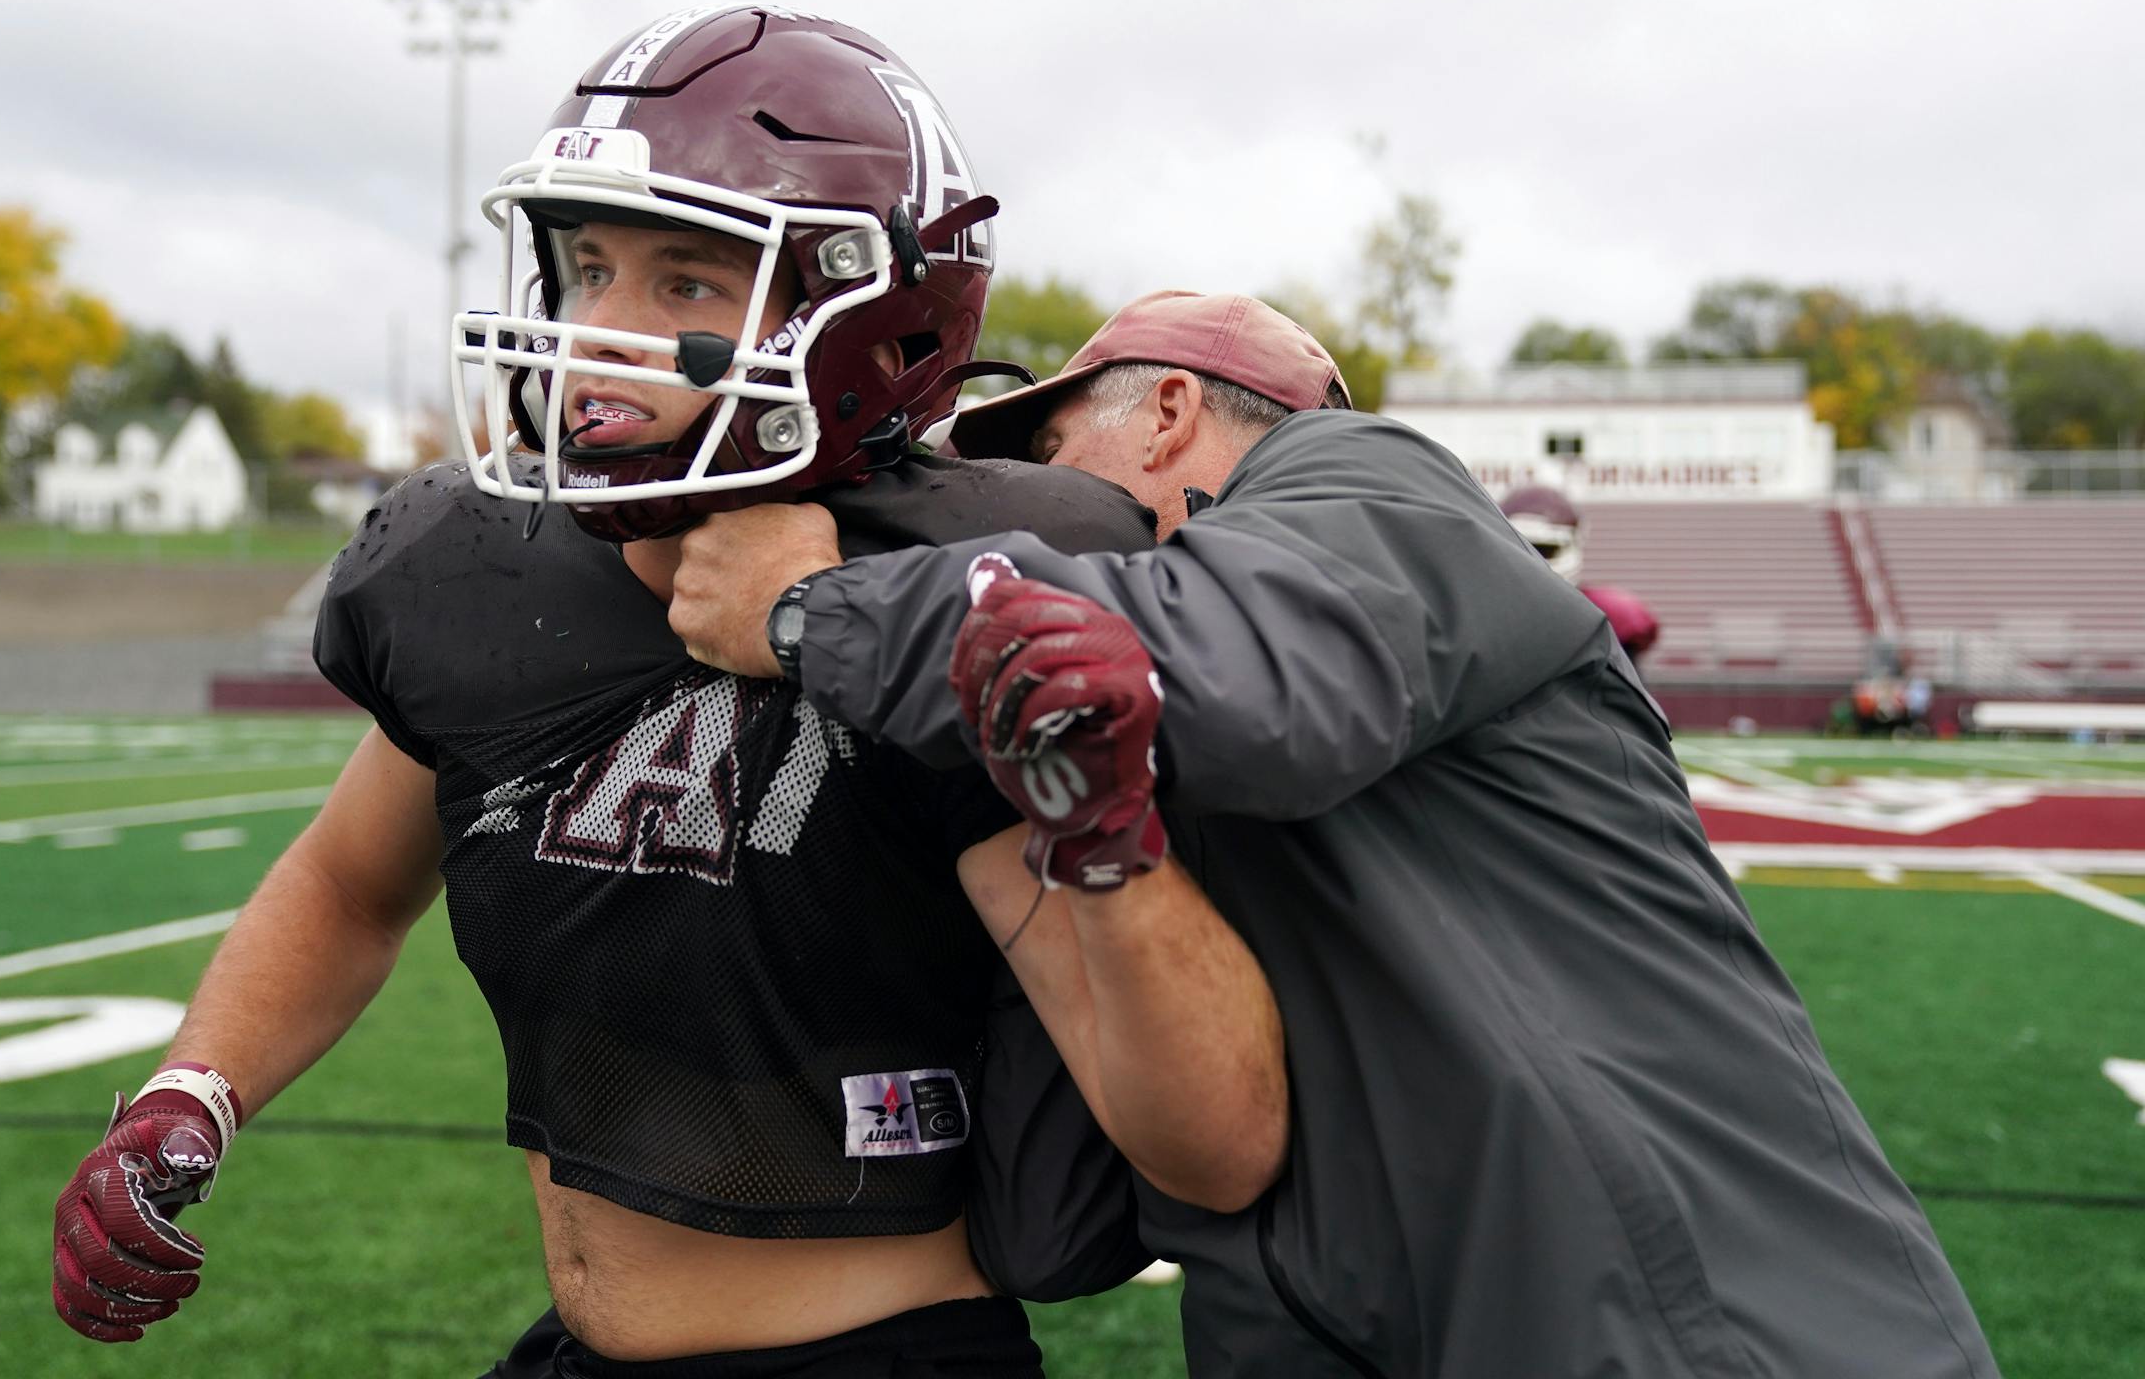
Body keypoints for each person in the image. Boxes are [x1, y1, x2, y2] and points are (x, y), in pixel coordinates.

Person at [48, 12, 1288, 1377]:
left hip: (869, 1352)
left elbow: (1215, 1147)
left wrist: (1101, 823)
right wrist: (192, 1091)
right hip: (575, 1347)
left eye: (690, 286)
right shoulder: (476, 561)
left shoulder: (945, 599)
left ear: (869, 312)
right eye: (587, 270)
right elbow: (350, 885)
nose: (600, 335)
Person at [665, 290, 2003, 1378]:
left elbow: (1242, 680)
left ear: (1173, 408)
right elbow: (1052, 1223)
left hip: (1680, 1325)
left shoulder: (1371, 479)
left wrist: (817, 612)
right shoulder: (1149, 744)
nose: (1023, 507)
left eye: (1047, 454)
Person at [1497, 482, 1661, 664]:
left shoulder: (1607, 615)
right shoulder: (1483, 611)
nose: (1534, 562)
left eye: (1544, 549)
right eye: (1519, 550)